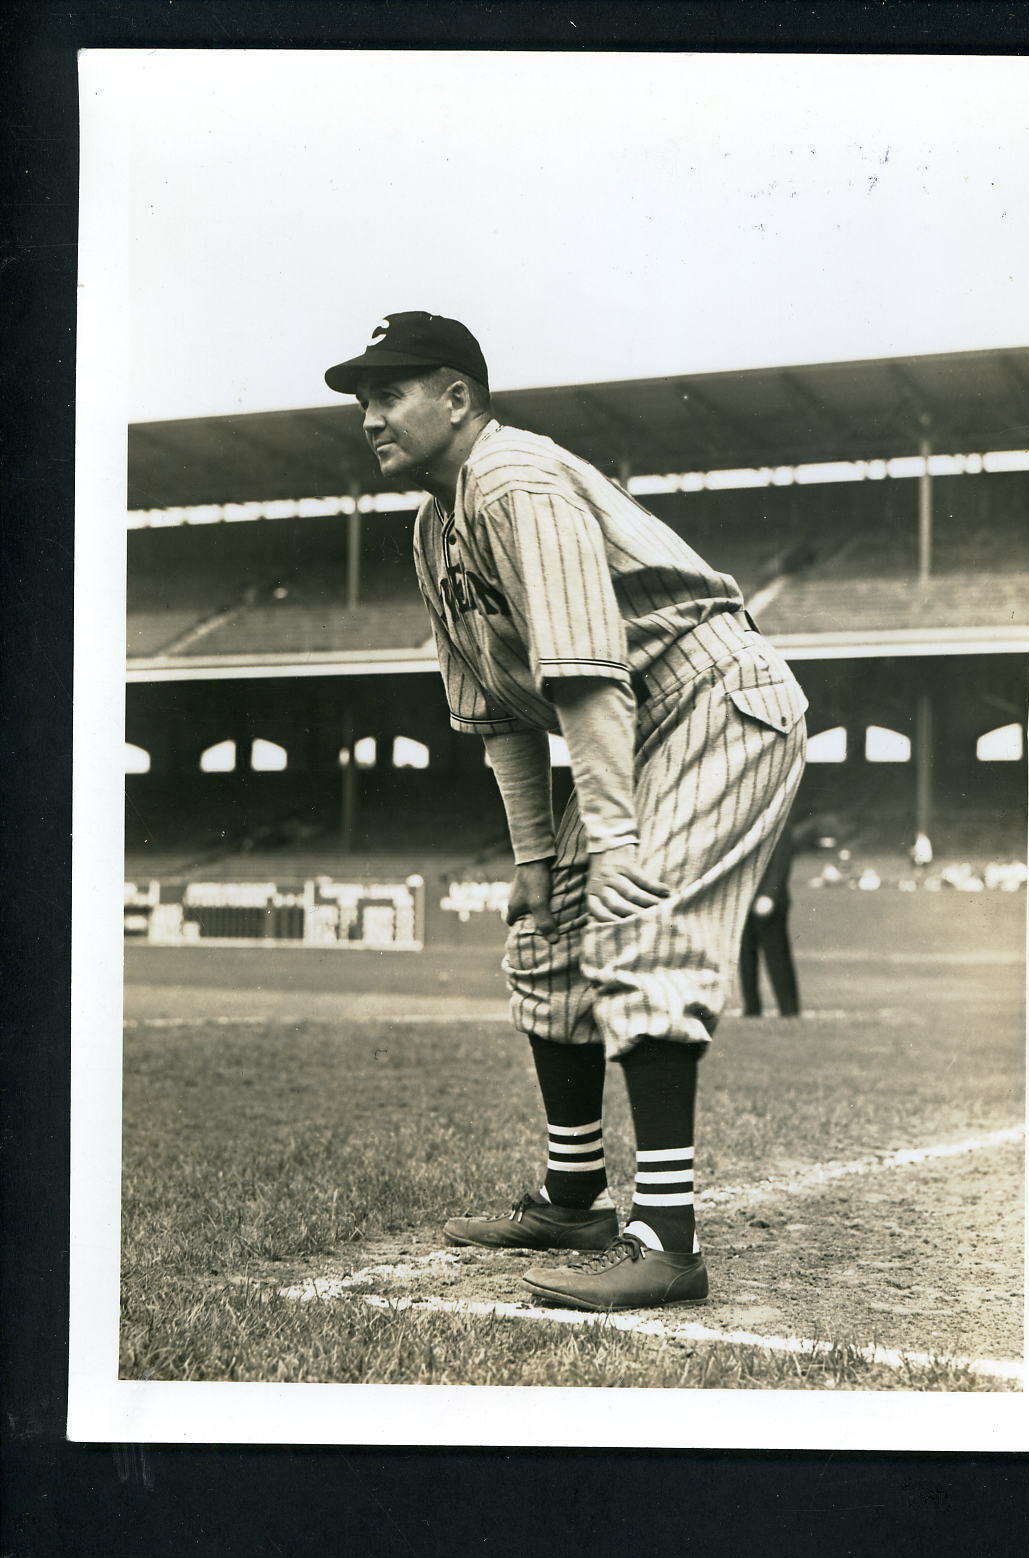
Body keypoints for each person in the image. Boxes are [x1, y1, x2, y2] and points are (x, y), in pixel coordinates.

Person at [324, 312, 808, 1310]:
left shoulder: (518, 482)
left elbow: (587, 672)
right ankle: (574, 1193)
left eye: (390, 393)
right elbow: (495, 709)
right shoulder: (434, 524)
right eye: (363, 400)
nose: (369, 416)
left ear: (458, 399)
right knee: (545, 942)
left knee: (639, 924)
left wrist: (616, 840)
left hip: (709, 694)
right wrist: (536, 858)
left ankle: (665, 1238)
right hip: (634, 719)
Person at [738, 818, 801, 1018]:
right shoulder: (746, 826)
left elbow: (780, 865)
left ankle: (789, 1009)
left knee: (777, 957)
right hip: (744, 899)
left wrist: (769, 895)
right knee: (746, 958)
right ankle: (751, 1009)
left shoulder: (780, 825)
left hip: (769, 902)